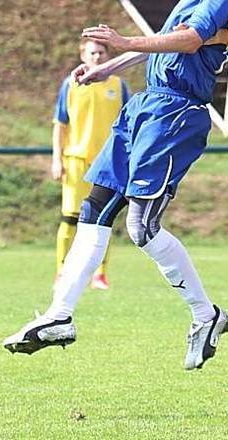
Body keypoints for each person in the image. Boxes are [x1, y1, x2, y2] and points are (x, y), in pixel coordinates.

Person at [3, 0, 228, 371]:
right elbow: (168, 35)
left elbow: (192, 39)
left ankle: (207, 315)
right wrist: (113, 66)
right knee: (94, 208)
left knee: (141, 227)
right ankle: (58, 317)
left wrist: (124, 42)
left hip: (175, 113)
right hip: (147, 105)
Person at [52, 39, 130, 290]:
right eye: (92, 53)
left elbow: (127, 125)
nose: (97, 57)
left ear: (107, 55)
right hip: (76, 159)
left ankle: (100, 273)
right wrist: (57, 158)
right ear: (83, 56)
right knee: (70, 219)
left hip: (107, 162)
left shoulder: (118, 86)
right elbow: (60, 124)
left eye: (101, 52)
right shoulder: (71, 84)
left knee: (103, 220)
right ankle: (62, 271)